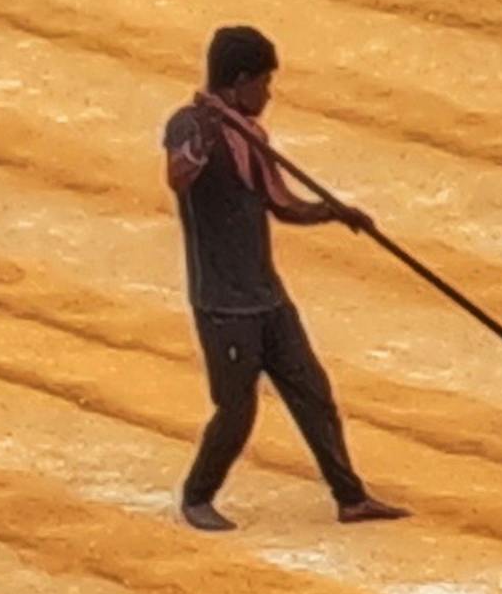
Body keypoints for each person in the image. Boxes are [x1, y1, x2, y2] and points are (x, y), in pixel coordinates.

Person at [163, 26, 406, 535]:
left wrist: (334, 212)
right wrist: (201, 143)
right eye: (264, 83)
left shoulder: (251, 135)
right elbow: (179, 175)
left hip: (266, 296)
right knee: (236, 411)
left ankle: (350, 497)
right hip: (223, 302)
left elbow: (281, 203)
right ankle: (197, 496)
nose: (268, 94)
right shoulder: (190, 123)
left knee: (313, 393)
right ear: (240, 81)